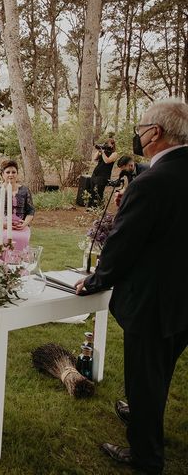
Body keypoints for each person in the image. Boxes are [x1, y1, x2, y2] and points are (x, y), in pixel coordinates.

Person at [75, 99, 188, 475]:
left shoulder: (152, 181)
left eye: (140, 128)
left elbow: (123, 244)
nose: (137, 136)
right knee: (162, 367)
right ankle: (142, 413)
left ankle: (145, 455)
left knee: (144, 375)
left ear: (154, 133)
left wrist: (96, 280)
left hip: (154, 299)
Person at [0, 160, 34, 253]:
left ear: (17, 174)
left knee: (22, 238)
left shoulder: (25, 190)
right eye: (8, 172)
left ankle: (20, 265)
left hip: (20, 226)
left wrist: (25, 224)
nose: (11, 175)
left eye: (14, 172)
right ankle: (2, 264)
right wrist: (3, 224)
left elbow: (31, 211)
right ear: (2, 174)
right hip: (3, 225)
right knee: (4, 237)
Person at [90, 138, 119, 205]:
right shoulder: (104, 151)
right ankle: (91, 206)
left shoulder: (114, 154)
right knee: (92, 190)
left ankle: (98, 207)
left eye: (107, 143)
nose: (105, 145)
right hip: (96, 173)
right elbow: (95, 158)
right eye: (105, 143)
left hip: (103, 175)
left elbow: (107, 161)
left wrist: (103, 152)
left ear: (112, 145)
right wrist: (99, 150)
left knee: (99, 191)